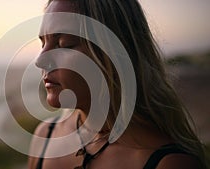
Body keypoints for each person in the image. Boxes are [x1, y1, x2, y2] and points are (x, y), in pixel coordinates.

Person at [28, 0, 207, 168]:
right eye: (43, 43)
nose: (40, 60)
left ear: (114, 52)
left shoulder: (169, 163)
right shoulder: (45, 136)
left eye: (64, 44)